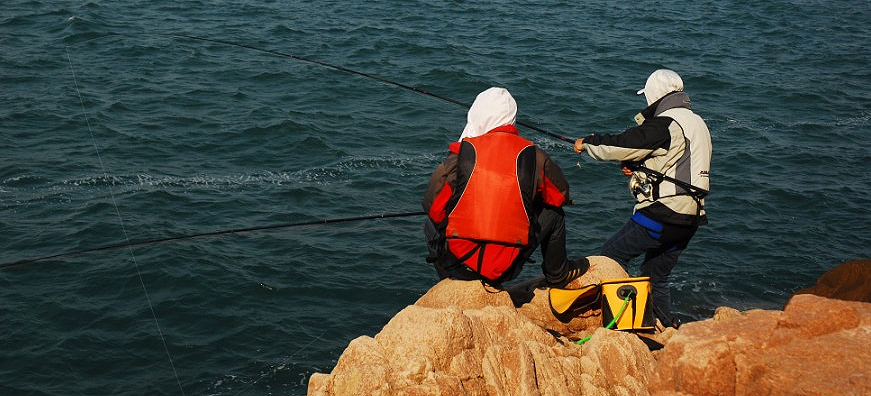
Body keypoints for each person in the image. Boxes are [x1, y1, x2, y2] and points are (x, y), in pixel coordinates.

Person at [573, 69, 712, 328]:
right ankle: (664, 325)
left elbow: (623, 143)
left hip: (664, 212)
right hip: (690, 218)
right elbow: (678, 160)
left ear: (655, 95)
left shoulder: (667, 122)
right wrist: (639, 166)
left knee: (610, 257)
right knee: (655, 276)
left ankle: (618, 323)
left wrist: (589, 143)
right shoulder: (696, 122)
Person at [423, 87, 587, 288]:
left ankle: (451, 282)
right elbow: (559, 196)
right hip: (506, 269)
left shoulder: (459, 156)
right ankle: (557, 274)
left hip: (458, 265)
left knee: (431, 222)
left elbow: (433, 207)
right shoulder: (534, 156)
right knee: (554, 214)